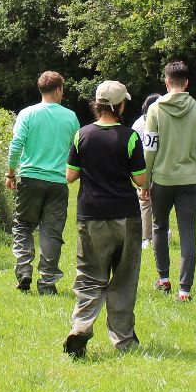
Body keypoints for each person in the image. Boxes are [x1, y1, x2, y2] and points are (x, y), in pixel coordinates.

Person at [63, 81, 151, 358]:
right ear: (120, 106)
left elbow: (70, 175)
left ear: (98, 104)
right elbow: (140, 179)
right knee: (124, 278)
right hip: (125, 215)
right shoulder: (130, 137)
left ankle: (80, 327)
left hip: (90, 215)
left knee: (89, 276)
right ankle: (123, 340)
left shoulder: (82, 135)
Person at [6, 71, 81, 295]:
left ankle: (24, 270)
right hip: (58, 182)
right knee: (52, 232)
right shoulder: (70, 117)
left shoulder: (27, 114)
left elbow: (16, 145)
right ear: (58, 90)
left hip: (30, 179)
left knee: (23, 226)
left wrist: (11, 173)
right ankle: (47, 283)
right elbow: (77, 150)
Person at [144, 61, 196, 300]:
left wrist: (145, 181)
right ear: (186, 83)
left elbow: (150, 149)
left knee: (159, 228)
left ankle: (163, 278)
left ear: (166, 82)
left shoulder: (155, 109)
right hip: (188, 180)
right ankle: (184, 289)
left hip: (161, 180)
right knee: (187, 232)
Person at [135, 93, 161, 249]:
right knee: (153, 202)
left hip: (144, 168)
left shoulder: (137, 123)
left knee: (146, 203)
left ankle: (148, 237)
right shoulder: (156, 121)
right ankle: (151, 235)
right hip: (155, 167)